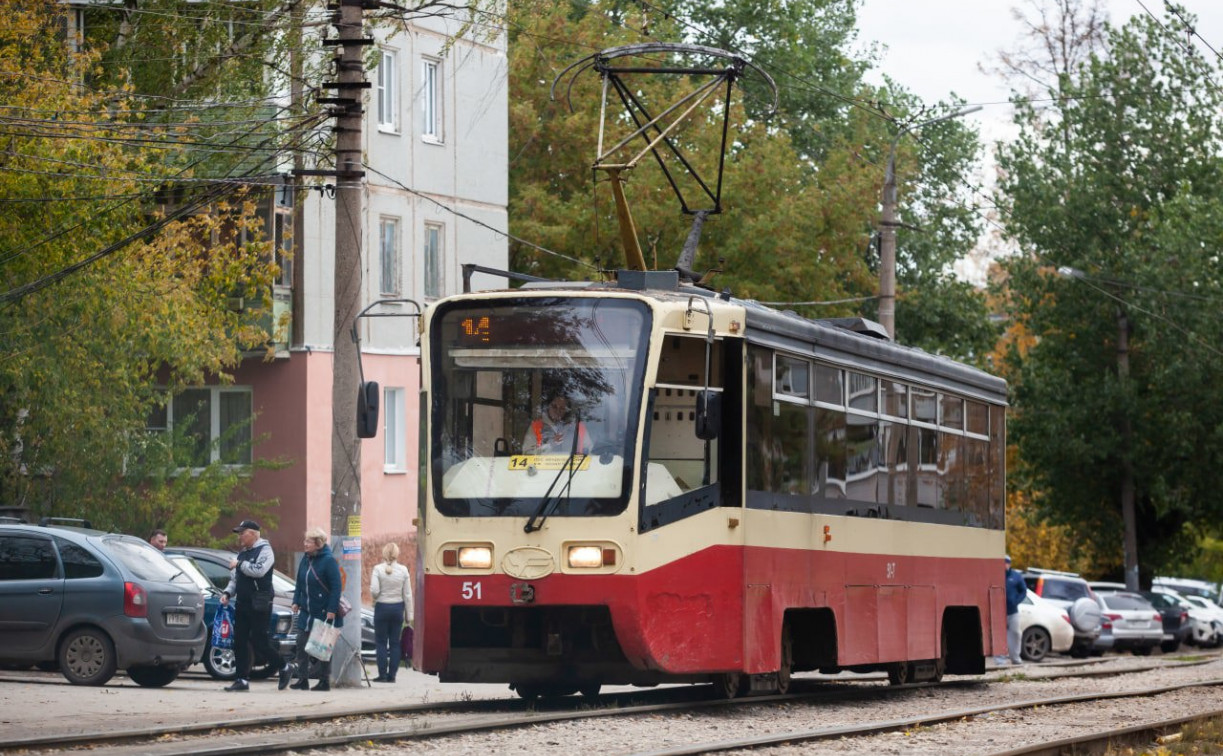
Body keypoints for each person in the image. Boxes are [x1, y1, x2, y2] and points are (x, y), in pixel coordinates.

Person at [221, 519, 292, 692]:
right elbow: (235, 579)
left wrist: (239, 564)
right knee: (239, 641)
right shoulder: (243, 553)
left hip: (260, 602)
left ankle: (284, 666)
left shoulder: (266, 551)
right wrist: (227, 593)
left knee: (260, 642)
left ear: (253, 534)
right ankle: (241, 680)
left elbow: (259, 571)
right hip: (242, 602)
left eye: (242, 533)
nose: (240, 537)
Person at [286, 527, 343, 692]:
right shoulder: (305, 559)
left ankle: (324, 681)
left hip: (324, 612)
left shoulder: (329, 561)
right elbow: (299, 583)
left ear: (318, 543)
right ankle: (303, 680)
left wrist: (332, 609)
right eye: (305, 541)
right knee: (301, 644)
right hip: (306, 611)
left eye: (308, 542)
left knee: (322, 648)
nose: (305, 544)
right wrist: (296, 601)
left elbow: (336, 588)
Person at [370, 542, 413, 683]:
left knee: (381, 642)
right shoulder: (403, 570)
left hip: (382, 608)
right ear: (397, 554)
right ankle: (392, 676)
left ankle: (382, 675)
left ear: (383, 553)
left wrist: (377, 597)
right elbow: (407, 595)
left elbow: (375, 591)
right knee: (395, 642)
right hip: (397, 609)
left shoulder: (377, 569)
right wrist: (409, 616)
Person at [522, 392, 592, 454]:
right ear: (548, 406)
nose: (558, 411)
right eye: (554, 407)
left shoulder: (578, 426)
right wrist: (551, 444)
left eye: (562, 408)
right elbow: (527, 453)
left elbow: (589, 451)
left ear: (567, 410)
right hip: (542, 468)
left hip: (574, 468)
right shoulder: (536, 426)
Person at [1005, 555, 1027, 665]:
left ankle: (1015, 657)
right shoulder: (996, 575)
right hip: (999, 611)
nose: (1004, 565)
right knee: (1001, 636)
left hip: (1013, 611)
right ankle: (1000, 659)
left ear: (1009, 564)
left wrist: (1016, 601)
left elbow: (1023, 591)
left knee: (1016, 633)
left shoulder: (1016, 576)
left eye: (1006, 562)